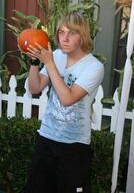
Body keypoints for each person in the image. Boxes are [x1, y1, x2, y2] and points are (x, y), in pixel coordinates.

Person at [24, 11, 104, 193]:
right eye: (61, 32)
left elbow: (67, 99)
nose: (65, 38)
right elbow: (35, 89)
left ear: (82, 36)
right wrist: (35, 63)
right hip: (46, 138)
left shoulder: (94, 67)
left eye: (72, 33)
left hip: (74, 147)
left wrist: (49, 63)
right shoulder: (57, 56)